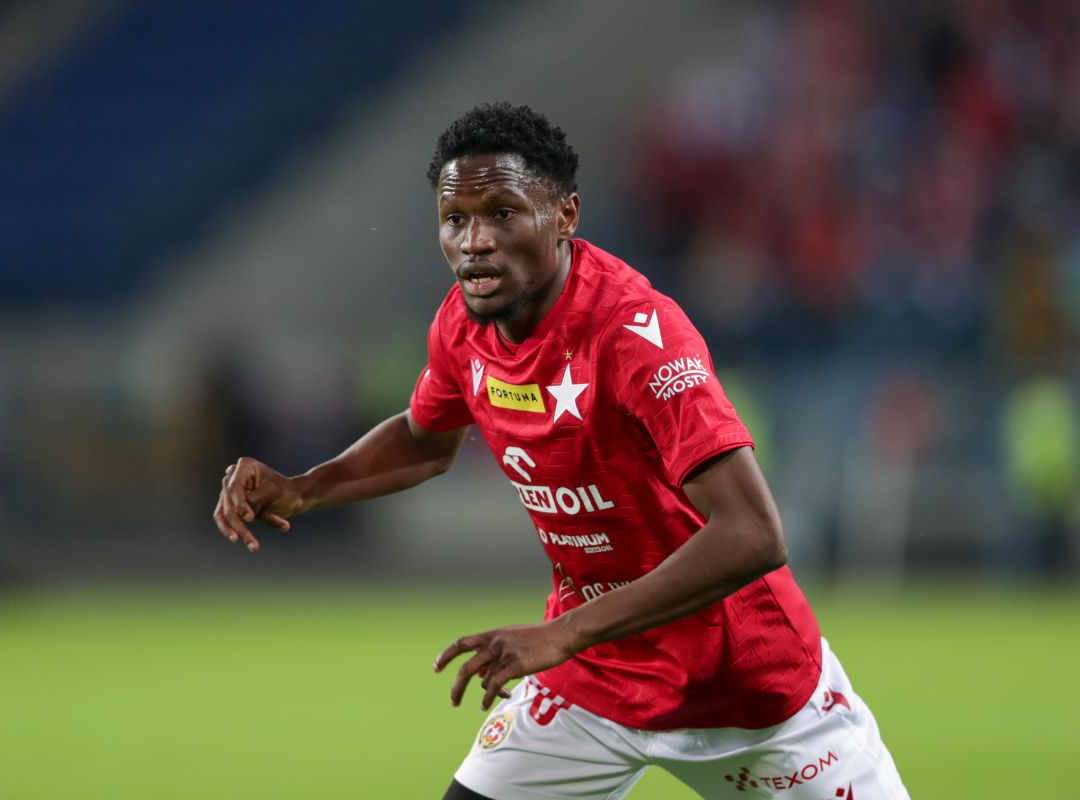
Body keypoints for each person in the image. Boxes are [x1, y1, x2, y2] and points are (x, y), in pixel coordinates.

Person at [213, 102, 909, 800]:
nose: (474, 242)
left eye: (503, 213)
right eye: (455, 219)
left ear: (565, 214)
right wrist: (303, 487)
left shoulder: (636, 335)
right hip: (593, 681)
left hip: (748, 694)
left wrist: (563, 635)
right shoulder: (463, 323)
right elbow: (425, 440)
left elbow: (753, 533)